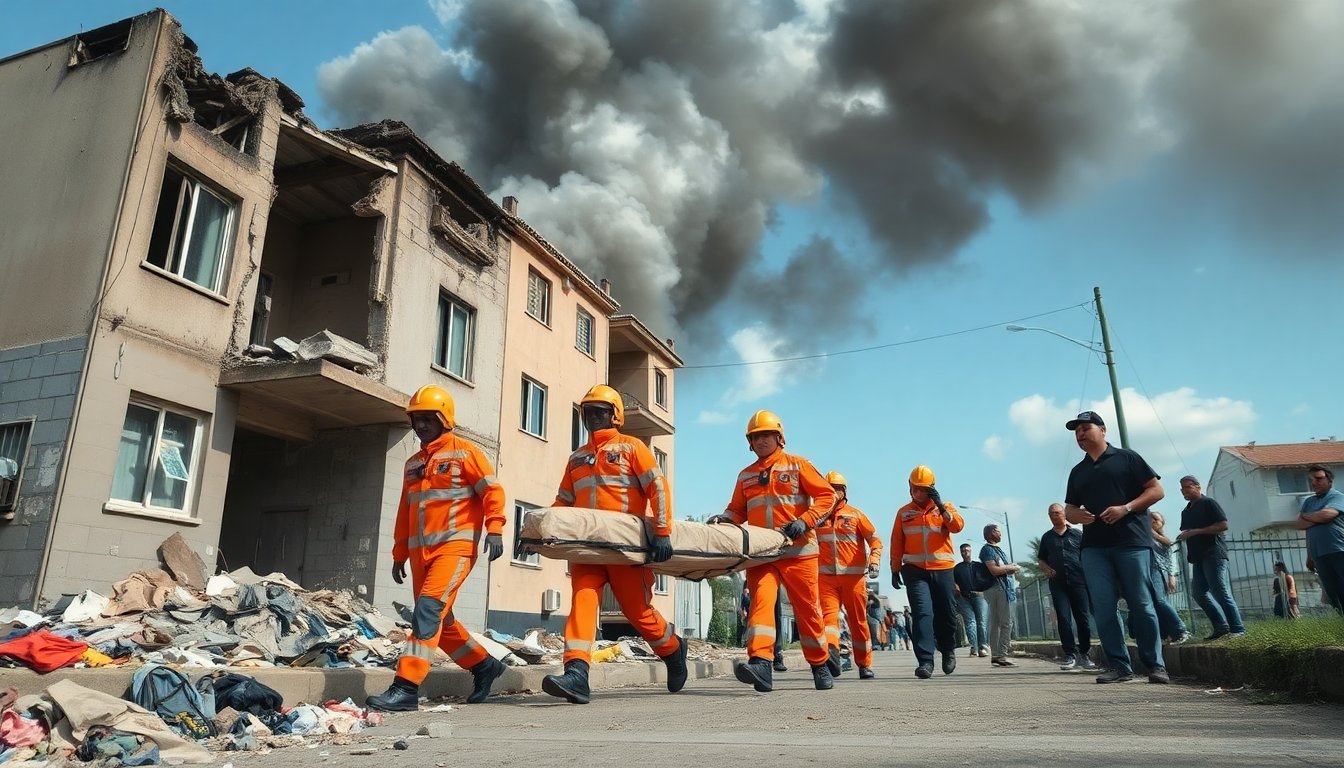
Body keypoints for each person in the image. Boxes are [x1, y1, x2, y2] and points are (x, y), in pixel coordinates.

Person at [542, 385, 687, 704]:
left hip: (625, 546)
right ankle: (576, 673)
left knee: (637, 612)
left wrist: (662, 532)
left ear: (615, 415)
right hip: (587, 548)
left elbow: (657, 489)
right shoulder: (576, 458)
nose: (593, 418)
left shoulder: (632, 447)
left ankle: (674, 651)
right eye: (588, 412)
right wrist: (542, 529)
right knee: (582, 601)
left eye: (600, 412)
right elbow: (563, 501)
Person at [367, 385, 508, 711]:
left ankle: (406, 687)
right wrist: (399, 552)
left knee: (427, 613)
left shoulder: (465, 452)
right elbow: (405, 508)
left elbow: (492, 491)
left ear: (445, 418)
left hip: (455, 549)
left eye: (429, 418)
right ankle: (484, 665)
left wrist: (496, 527)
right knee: (439, 624)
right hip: (419, 554)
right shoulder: (413, 463)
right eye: (417, 419)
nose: (422, 425)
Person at [710, 410, 837, 692]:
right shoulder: (746, 475)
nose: (761, 440)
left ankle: (819, 663)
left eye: (766, 435)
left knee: (808, 611)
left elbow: (829, 495)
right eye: (756, 437)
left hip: (799, 551)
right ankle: (761, 664)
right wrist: (725, 518)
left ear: (779, 438)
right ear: (750, 443)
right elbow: (737, 509)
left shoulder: (798, 465)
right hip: (763, 553)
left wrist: (804, 521)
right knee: (761, 607)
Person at [1062, 411, 1170, 685]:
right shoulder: (1078, 471)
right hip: (1094, 547)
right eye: (1077, 431)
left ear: (1103, 430)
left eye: (1086, 428)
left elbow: (1156, 490)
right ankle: (1120, 666)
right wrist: (1077, 516)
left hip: (1131, 542)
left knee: (1142, 604)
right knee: (1103, 607)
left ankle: (1155, 665)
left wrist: (1126, 508)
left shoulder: (1128, 458)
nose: (1081, 434)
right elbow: (1070, 510)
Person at [891, 465, 965, 679]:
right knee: (922, 613)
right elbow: (897, 542)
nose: (918, 493)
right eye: (915, 489)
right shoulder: (904, 512)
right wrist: (895, 568)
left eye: (923, 489)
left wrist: (941, 505)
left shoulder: (945, 508)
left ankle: (948, 649)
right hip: (915, 571)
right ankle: (925, 661)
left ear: (932, 489)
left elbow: (957, 526)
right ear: (909, 488)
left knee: (947, 613)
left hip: (943, 570)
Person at [817, 471, 883, 679]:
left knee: (858, 622)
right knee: (829, 619)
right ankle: (832, 653)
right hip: (825, 578)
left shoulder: (856, 515)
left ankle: (864, 664)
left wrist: (874, 561)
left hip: (853, 579)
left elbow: (875, 540)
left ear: (844, 491)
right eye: (829, 489)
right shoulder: (817, 517)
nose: (833, 493)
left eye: (836, 489)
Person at [1176, 476, 1247, 639]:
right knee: (1198, 593)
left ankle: (1238, 629)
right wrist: (1185, 535)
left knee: (1220, 592)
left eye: (1187, 487)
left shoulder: (1209, 503)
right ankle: (1221, 627)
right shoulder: (1186, 511)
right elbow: (1187, 530)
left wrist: (1197, 531)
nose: (1184, 492)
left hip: (1213, 554)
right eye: (1182, 489)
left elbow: (1223, 525)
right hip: (1197, 557)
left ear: (1197, 486)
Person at [1037, 503, 1095, 671]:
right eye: (1051, 514)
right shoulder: (1047, 538)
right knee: (1063, 618)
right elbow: (1041, 559)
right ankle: (1070, 654)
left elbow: (1088, 554)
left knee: (1083, 618)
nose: (1055, 516)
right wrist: (1046, 569)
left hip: (1079, 582)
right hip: (1058, 584)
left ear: (1064, 514)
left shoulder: (1077, 534)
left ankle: (1084, 654)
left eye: (1057, 513)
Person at [1295, 465, 1344, 613]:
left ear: (1329, 480)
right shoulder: (1309, 502)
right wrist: (1310, 555)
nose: (1314, 483)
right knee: (1332, 591)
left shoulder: (1337, 496)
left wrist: (1308, 516)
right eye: (1311, 480)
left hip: (1339, 550)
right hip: (1319, 555)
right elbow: (1300, 524)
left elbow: (1326, 515)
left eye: (1318, 478)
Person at [1144, 511, 1191, 644]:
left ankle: (1180, 629)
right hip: (1145, 570)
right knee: (1153, 604)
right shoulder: (1145, 535)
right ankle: (1165, 634)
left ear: (1161, 523)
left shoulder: (1162, 539)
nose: (1153, 522)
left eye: (1156, 520)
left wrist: (1172, 576)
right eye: (1151, 519)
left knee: (1161, 601)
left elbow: (1171, 559)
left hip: (1158, 571)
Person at [980, 524, 1019, 668]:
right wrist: (1012, 568)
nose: (1000, 534)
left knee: (999, 623)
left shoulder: (997, 550)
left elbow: (1002, 567)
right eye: (998, 531)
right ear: (991, 533)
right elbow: (994, 569)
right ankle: (1001, 655)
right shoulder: (988, 550)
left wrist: (1008, 567)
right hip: (998, 589)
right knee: (1005, 623)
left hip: (1005, 589)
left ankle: (998, 655)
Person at [952, 543, 990, 658]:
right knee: (970, 623)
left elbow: (989, 580)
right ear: (961, 553)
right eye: (963, 551)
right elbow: (952, 582)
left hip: (980, 596)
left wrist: (985, 592)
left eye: (967, 550)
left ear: (971, 551)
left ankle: (983, 646)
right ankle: (974, 647)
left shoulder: (979, 566)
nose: (965, 552)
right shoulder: (957, 568)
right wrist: (956, 588)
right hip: (964, 598)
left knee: (982, 622)